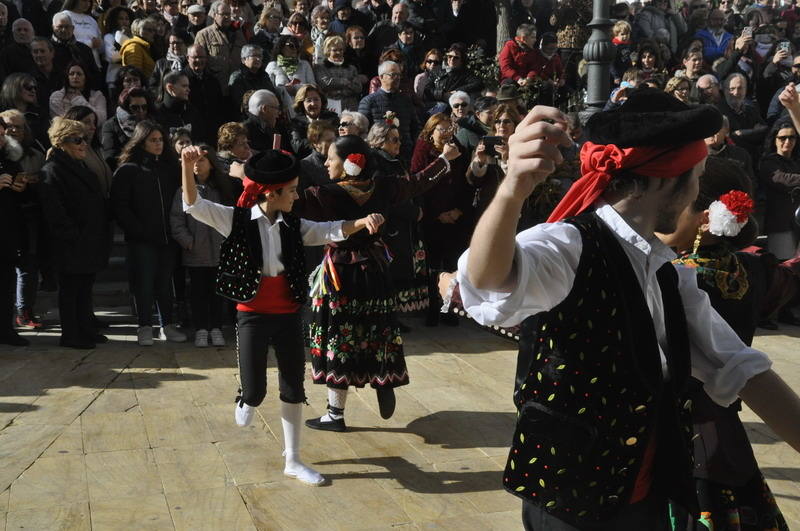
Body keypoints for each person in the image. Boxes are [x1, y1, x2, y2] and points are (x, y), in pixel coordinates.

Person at [457, 90, 800, 529]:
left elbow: (743, 368)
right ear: (667, 178)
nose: (698, 191)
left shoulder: (669, 273)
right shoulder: (571, 245)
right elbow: (487, 279)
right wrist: (512, 191)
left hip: (645, 497)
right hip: (571, 505)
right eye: (695, 176)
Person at [181, 143, 386, 486]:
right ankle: (246, 397)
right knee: (256, 392)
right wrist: (186, 166)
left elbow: (328, 230)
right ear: (271, 193)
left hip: (288, 313)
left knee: (293, 387)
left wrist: (361, 222)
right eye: (291, 191)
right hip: (252, 315)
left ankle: (293, 460)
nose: (296, 196)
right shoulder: (237, 219)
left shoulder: (293, 223)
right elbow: (194, 206)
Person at [658, 156, 790, 531]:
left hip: (681, 431)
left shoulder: (679, 278)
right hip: (725, 423)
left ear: (704, 216)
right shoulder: (753, 266)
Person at [295, 134, 459, 432]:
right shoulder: (384, 186)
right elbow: (419, 181)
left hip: (340, 277)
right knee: (378, 331)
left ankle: (335, 413)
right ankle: (383, 377)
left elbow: (291, 204)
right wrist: (445, 160)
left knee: (339, 339)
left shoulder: (324, 195)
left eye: (331, 158)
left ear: (349, 164)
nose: (327, 163)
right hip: (376, 271)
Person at [110, 120, 188, 346]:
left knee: (165, 283)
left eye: (161, 139)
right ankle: (144, 326)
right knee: (143, 283)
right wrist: (137, 230)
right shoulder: (128, 170)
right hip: (141, 239)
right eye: (152, 140)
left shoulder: (170, 168)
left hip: (167, 237)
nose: (158, 144)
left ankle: (167, 325)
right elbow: (119, 206)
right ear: (141, 142)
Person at [40, 117, 111, 349]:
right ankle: (71, 335)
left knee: (83, 289)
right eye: (77, 140)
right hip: (70, 244)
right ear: (62, 142)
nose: (83, 144)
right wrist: (74, 236)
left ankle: (85, 329)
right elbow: (55, 213)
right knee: (70, 291)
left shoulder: (79, 166)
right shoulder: (53, 170)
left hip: (87, 241)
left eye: (85, 139)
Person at [411, 113, 472, 326]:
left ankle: (449, 307)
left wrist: (458, 211)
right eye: (441, 129)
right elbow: (420, 183)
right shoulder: (422, 150)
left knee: (452, 263)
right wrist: (437, 214)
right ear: (431, 131)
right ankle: (433, 308)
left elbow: (466, 185)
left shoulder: (460, 151)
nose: (446, 134)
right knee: (433, 265)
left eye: (449, 129)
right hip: (432, 217)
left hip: (455, 217)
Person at [170, 143, 233, 347]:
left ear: (212, 163)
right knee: (197, 293)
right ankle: (200, 329)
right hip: (196, 253)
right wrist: (189, 242)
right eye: (194, 161)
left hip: (219, 251)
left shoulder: (221, 190)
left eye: (202, 160)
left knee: (217, 293)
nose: (197, 165)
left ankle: (215, 328)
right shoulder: (183, 189)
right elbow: (177, 220)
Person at [368, 120, 431, 322]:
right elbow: (390, 198)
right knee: (390, 273)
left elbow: (411, 186)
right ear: (379, 141)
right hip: (391, 227)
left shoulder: (396, 161)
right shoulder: (377, 164)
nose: (399, 144)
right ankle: (388, 317)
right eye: (394, 140)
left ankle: (395, 316)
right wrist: (413, 212)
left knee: (400, 272)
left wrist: (419, 208)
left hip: (405, 227)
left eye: (400, 139)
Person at [0, 115, 30, 347]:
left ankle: (6, 329)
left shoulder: (10, 158)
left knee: (7, 282)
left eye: (2, 134)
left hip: (8, 230)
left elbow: (20, 189)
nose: (1, 139)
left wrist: (21, 187)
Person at [359, 60, 420, 163]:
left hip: (406, 155)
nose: (397, 78)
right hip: (380, 157)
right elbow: (362, 131)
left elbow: (416, 127)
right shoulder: (368, 101)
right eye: (393, 75)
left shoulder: (406, 100)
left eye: (398, 75)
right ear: (381, 77)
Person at [759, 119, 800, 261]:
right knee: (783, 266)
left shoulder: (796, 162)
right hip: (780, 224)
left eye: (792, 137)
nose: (787, 141)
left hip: (797, 222)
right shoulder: (768, 162)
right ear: (774, 139)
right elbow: (781, 179)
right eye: (783, 138)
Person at [194, 0, 246, 94]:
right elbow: (198, 62)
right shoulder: (203, 35)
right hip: (215, 88)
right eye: (223, 14)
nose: (226, 17)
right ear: (215, 15)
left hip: (237, 87)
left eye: (228, 14)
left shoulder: (238, 33)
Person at [101, 87, 152, 170]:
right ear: (125, 107)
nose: (141, 111)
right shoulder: (111, 125)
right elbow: (110, 157)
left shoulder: (151, 122)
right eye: (135, 108)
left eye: (144, 107)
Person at [312, 35, 363, 112]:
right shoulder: (320, 68)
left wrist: (336, 86)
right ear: (328, 51)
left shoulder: (352, 68)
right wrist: (346, 82)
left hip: (351, 106)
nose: (338, 52)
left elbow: (358, 88)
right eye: (335, 50)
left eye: (341, 50)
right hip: (330, 106)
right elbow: (325, 84)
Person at [49, 62, 108, 126]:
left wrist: (77, 99)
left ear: (85, 77)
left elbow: (101, 120)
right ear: (67, 77)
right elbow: (61, 122)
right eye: (71, 74)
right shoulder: (57, 96)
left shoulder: (97, 96)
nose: (75, 77)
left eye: (79, 74)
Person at [228, 44, 278, 119]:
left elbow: (272, 94)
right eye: (254, 56)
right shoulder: (237, 78)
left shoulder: (264, 76)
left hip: (267, 117)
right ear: (243, 59)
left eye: (260, 56)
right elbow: (240, 104)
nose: (258, 59)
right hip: (247, 119)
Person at [289, 84, 338, 158]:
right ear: (301, 104)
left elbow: (338, 140)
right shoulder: (296, 123)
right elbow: (298, 146)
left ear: (321, 101)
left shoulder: (332, 118)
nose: (313, 103)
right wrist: (322, 144)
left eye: (316, 99)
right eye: (309, 100)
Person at [266, 35, 317, 99]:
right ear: (281, 47)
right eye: (291, 46)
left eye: (297, 46)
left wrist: (295, 88)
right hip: (282, 105)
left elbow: (313, 86)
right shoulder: (272, 65)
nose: (295, 49)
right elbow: (268, 89)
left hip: (301, 103)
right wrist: (284, 89)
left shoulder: (304, 64)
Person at [101, 5, 134, 93]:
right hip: (114, 80)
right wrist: (130, 52)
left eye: (127, 19)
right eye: (121, 19)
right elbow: (113, 57)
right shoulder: (109, 37)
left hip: (132, 81)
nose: (124, 22)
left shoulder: (133, 38)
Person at [149, 28, 191, 92]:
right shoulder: (161, 63)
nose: (175, 45)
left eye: (178, 43)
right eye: (172, 43)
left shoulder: (191, 62)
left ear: (186, 44)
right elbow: (152, 85)